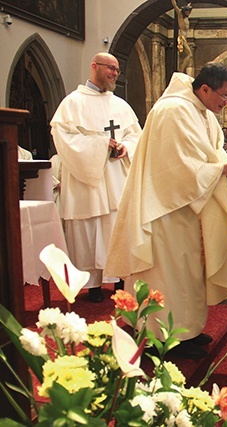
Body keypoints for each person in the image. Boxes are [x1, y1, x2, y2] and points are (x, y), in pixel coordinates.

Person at [105, 62, 227, 359]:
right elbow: (177, 168)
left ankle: (186, 330)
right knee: (169, 275)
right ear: (205, 88)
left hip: (187, 207)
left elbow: (210, 153)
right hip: (165, 210)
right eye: (225, 95)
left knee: (188, 273)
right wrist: (223, 169)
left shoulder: (202, 111)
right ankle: (159, 337)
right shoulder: (173, 111)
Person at [51, 52, 141, 303]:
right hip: (86, 181)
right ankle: (93, 286)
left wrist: (125, 148)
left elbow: (136, 136)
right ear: (94, 67)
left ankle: (120, 280)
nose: (114, 73)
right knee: (89, 231)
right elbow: (64, 139)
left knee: (116, 228)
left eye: (117, 70)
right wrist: (101, 146)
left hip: (115, 180)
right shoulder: (72, 103)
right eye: (110, 68)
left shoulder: (121, 106)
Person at [171, 0, 193, 75]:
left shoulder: (186, 18)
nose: (189, 12)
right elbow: (176, 8)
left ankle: (181, 70)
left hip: (184, 38)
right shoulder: (180, 16)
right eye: (188, 11)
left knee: (184, 56)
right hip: (181, 38)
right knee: (189, 54)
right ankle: (181, 71)